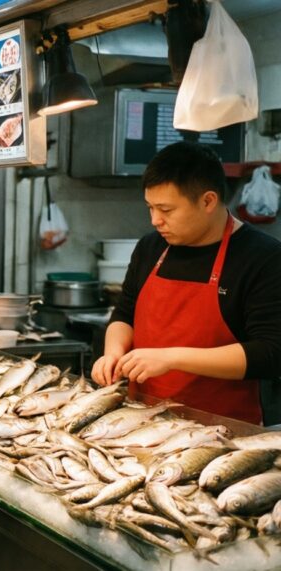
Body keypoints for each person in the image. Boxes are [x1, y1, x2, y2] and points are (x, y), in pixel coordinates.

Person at [92, 142, 281, 425]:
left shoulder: (262, 257)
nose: (155, 220)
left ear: (208, 201)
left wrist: (172, 358)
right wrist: (113, 353)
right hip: (140, 419)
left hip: (221, 431)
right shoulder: (150, 247)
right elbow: (124, 313)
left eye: (166, 210)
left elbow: (270, 353)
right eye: (150, 208)